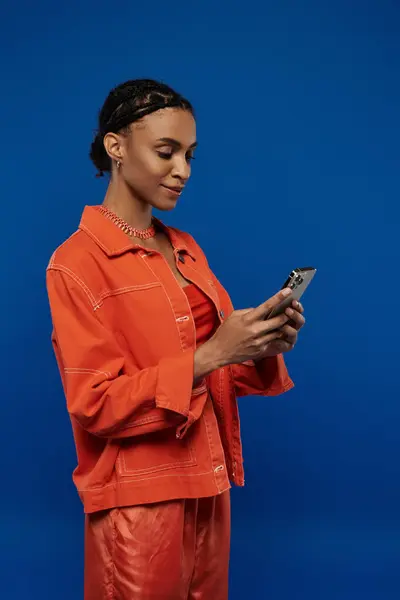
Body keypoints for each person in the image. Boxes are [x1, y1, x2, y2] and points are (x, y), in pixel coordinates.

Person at [46, 78, 305, 600]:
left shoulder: (185, 248)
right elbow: (95, 404)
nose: (182, 170)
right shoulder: (76, 263)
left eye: (189, 154)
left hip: (210, 486)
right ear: (115, 146)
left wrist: (259, 345)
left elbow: (216, 371)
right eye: (166, 152)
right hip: (138, 501)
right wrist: (212, 353)